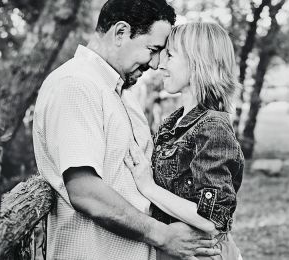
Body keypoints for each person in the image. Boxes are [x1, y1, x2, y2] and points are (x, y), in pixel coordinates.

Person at [32, 1, 220, 259]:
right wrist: (163, 236)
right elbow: (85, 191)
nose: (155, 64)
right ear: (120, 32)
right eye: (152, 49)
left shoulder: (120, 91)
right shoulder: (75, 85)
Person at [125, 22, 244, 260]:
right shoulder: (173, 123)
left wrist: (148, 187)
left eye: (170, 55)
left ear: (197, 62)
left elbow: (212, 218)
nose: (161, 64)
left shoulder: (212, 128)